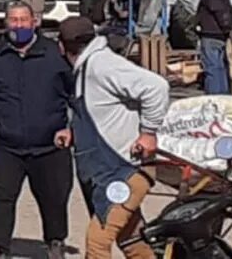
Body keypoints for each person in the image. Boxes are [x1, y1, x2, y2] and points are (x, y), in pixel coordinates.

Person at [0, 2, 73, 259]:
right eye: (14, 20)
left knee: (54, 198)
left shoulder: (56, 55)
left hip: (50, 145)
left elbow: (77, 95)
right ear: (6, 23)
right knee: (0, 198)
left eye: (23, 20)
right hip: (7, 146)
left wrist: (73, 129)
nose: (19, 25)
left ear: (35, 22)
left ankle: (55, 242)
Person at [57, 16, 169, 259]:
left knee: (98, 241)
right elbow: (102, 114)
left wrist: (148, 133)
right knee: (131, 239)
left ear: (61, 46)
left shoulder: (101, 65)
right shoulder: (87, 68)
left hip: (124, 170)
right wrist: (74, 133)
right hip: (106, 172)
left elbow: (156, 87)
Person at [196, 0, 232, 95]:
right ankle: (223, 95)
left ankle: (213, 97)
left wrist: (225, 26)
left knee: (211, 68)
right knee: (220, 67)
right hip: (218, 33)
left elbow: (217, 9)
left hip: (211, 33)